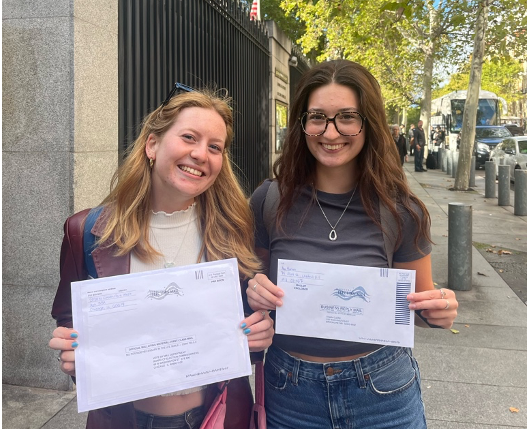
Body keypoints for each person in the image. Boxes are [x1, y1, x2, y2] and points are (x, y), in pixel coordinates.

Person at [245, 60, 458, 429]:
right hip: (290, 392)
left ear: (368, 123)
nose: (330, 132)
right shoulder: (269, 200)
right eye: (317, 117)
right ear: (301, 124)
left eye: (347, 117)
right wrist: (252, 296)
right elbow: (248, 292)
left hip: (382, 392)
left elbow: (419, 308)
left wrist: (437, 310)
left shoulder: (400, 209)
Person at [48, 88, 274, 429]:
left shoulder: (235, 230)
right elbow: (69, 317)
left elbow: (244, 330)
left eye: (215, 147)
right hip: (124, 419)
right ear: (152, 144)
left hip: (219, 415)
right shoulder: (86, 230)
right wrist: (72, 347)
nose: (201, 154)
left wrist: (260, 332)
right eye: (189, 138)